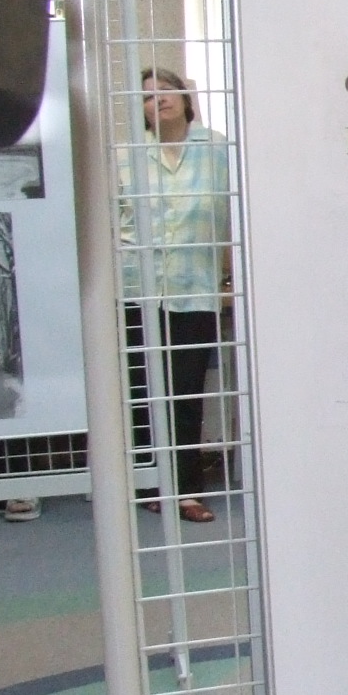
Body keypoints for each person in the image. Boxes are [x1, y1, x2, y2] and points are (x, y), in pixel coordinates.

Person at [120, 67, 233, 524]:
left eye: (166, 91)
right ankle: (152, 486)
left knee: (185, 391)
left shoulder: (218, 149)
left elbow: (236, 211)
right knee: (143, 390)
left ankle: (185, 490)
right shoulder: (128, 154)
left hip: (195, 288)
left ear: (186, 99)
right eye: (147, 96)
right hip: (137, 288)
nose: (159, 100)